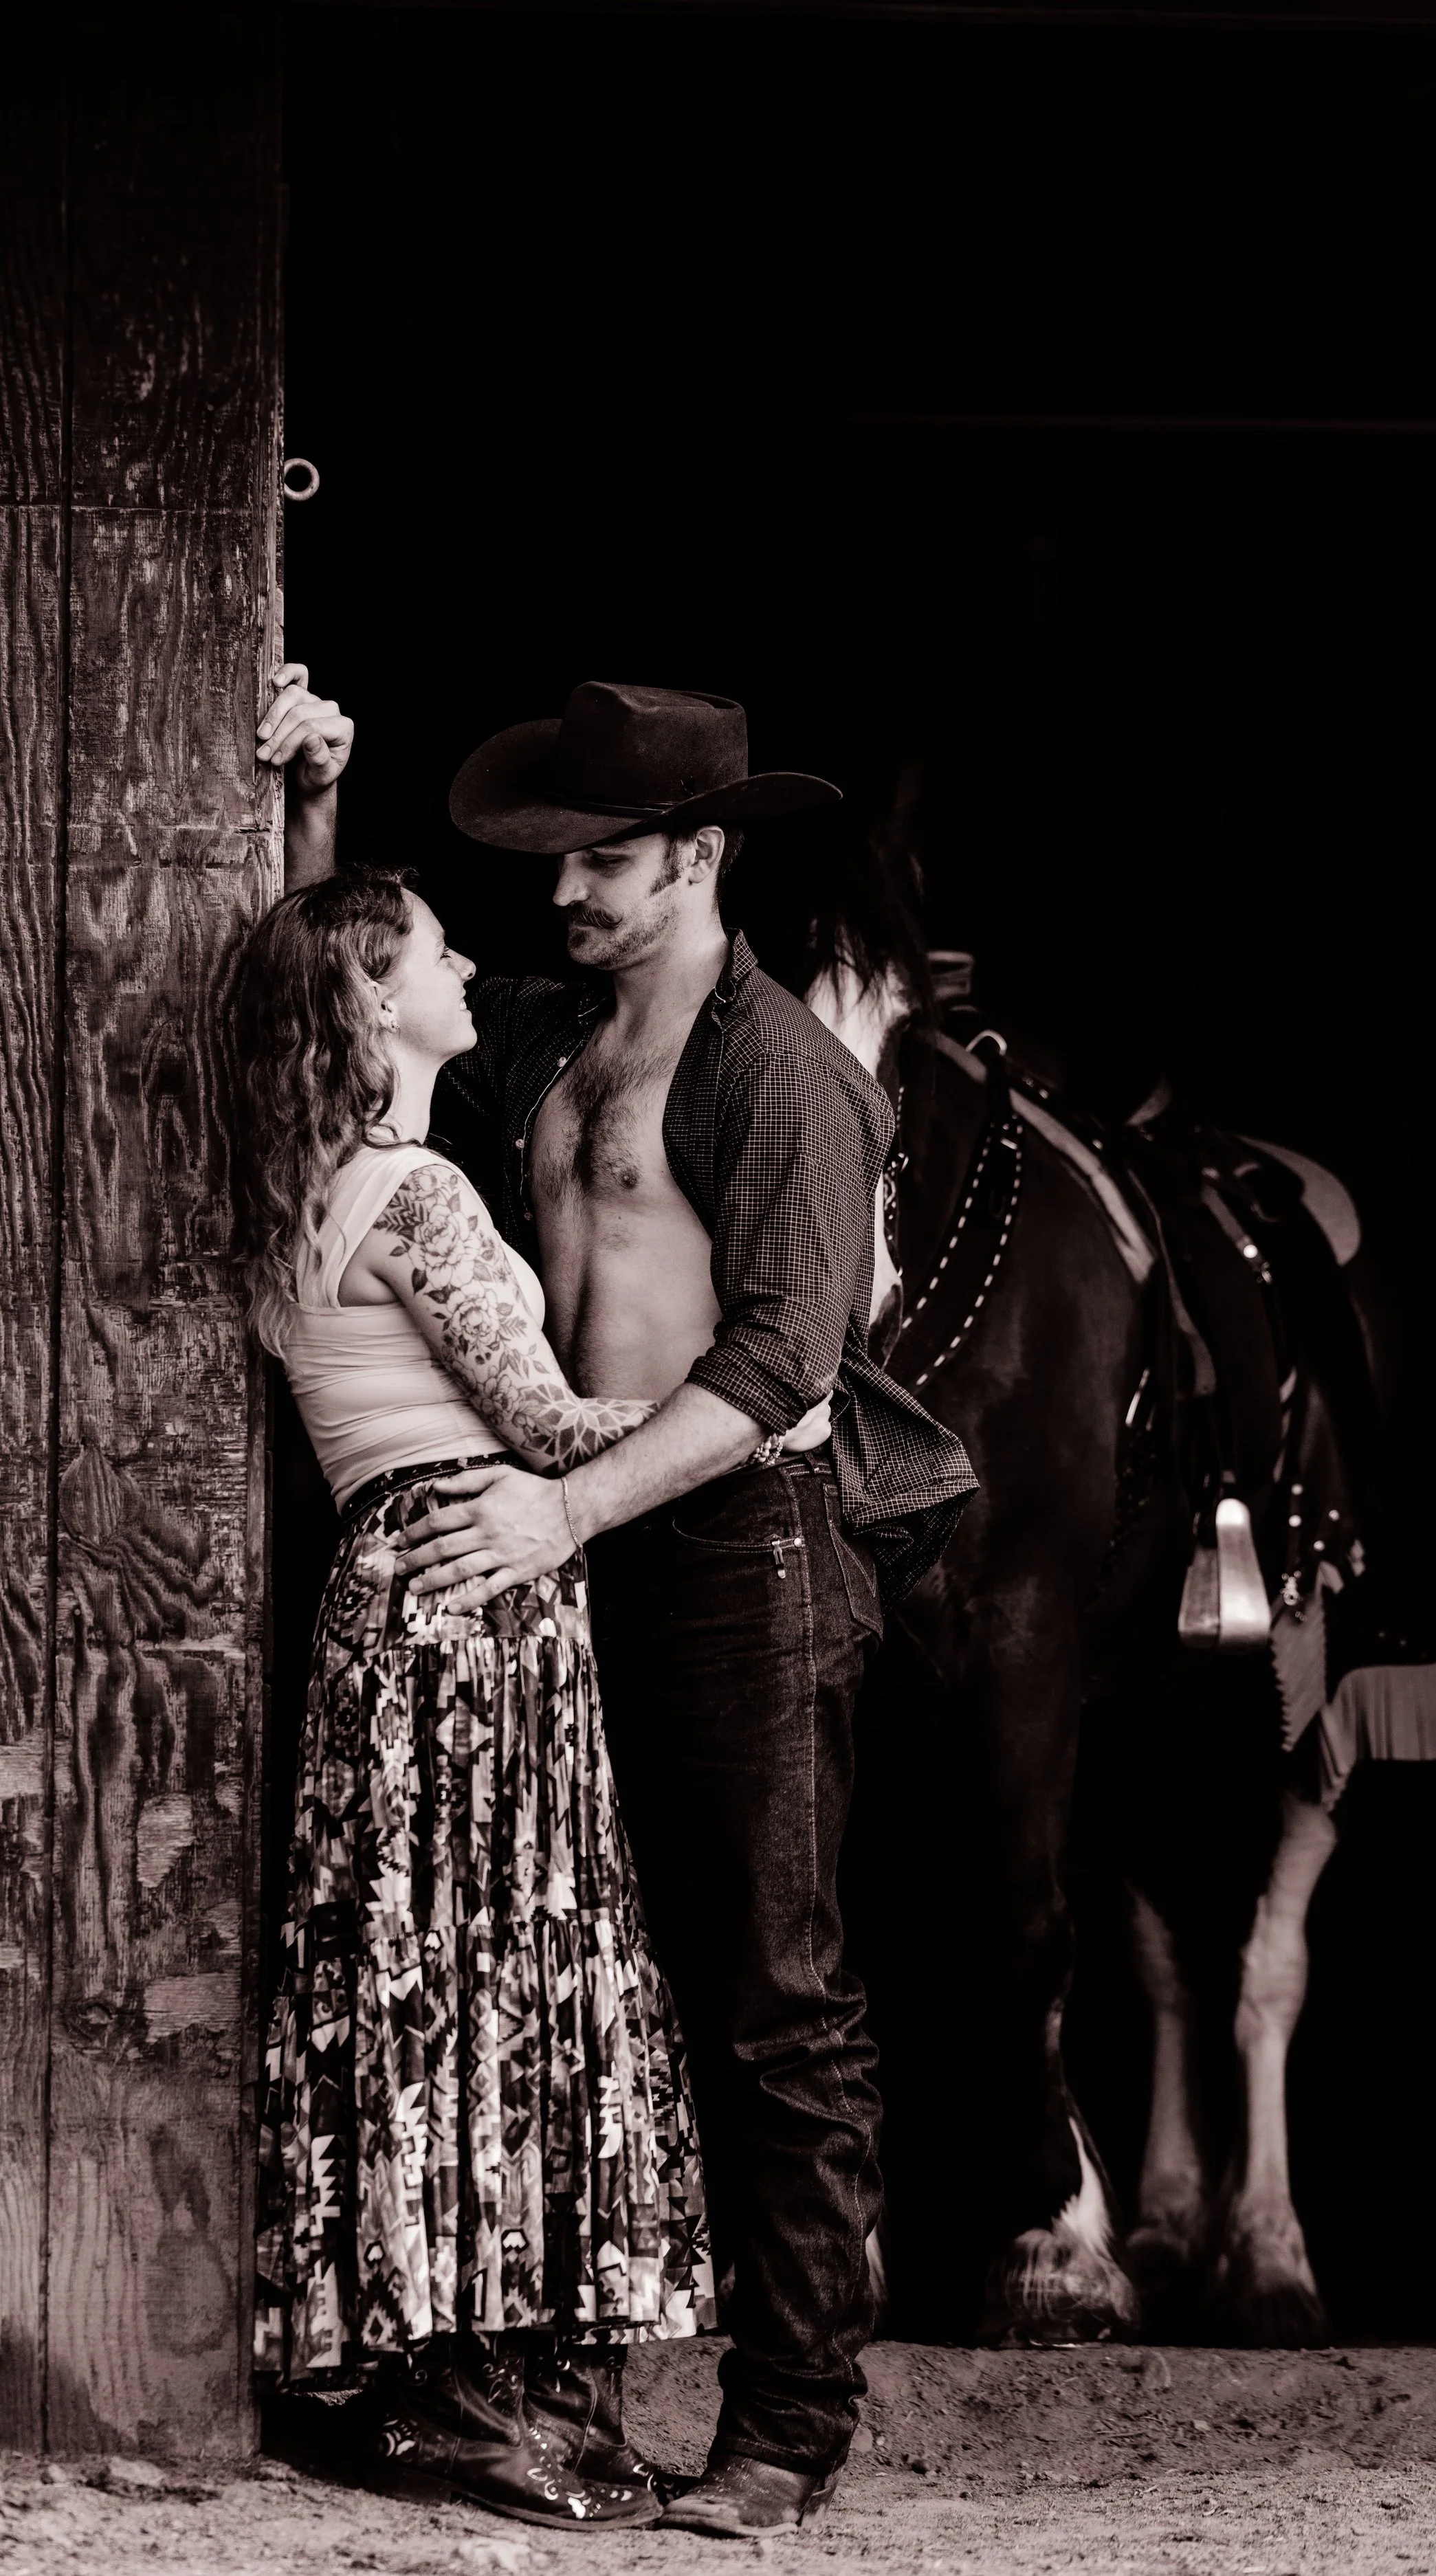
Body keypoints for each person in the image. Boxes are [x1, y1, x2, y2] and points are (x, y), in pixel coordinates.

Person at [265, 667, 977, 2535]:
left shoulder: (779, 1076)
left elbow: (777, 1363)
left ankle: (788, 2421)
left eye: (605, 862)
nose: (563, 895)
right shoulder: (552, 1062)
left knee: (773, 1996)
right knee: (583, 1971)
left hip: (724, 1543)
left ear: (702, 860)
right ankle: (546, 2378)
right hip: (565, 1547)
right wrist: (312, 829)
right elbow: (358, 1049)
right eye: (555, 861)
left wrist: (559, 1507)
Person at [235, 847, 831, 2530]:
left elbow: (293, 941)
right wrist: (766, 1408)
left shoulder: (306, 1179)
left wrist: (308, 800)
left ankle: (437, 2357)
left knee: (416, 1957)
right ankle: (474, 2370)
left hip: (390, 1582)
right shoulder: (416, 1194)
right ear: (370, 999)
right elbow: (554, 1427)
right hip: (476, 1582)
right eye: (432, 953)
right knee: (499, 1955)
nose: (475, 975)